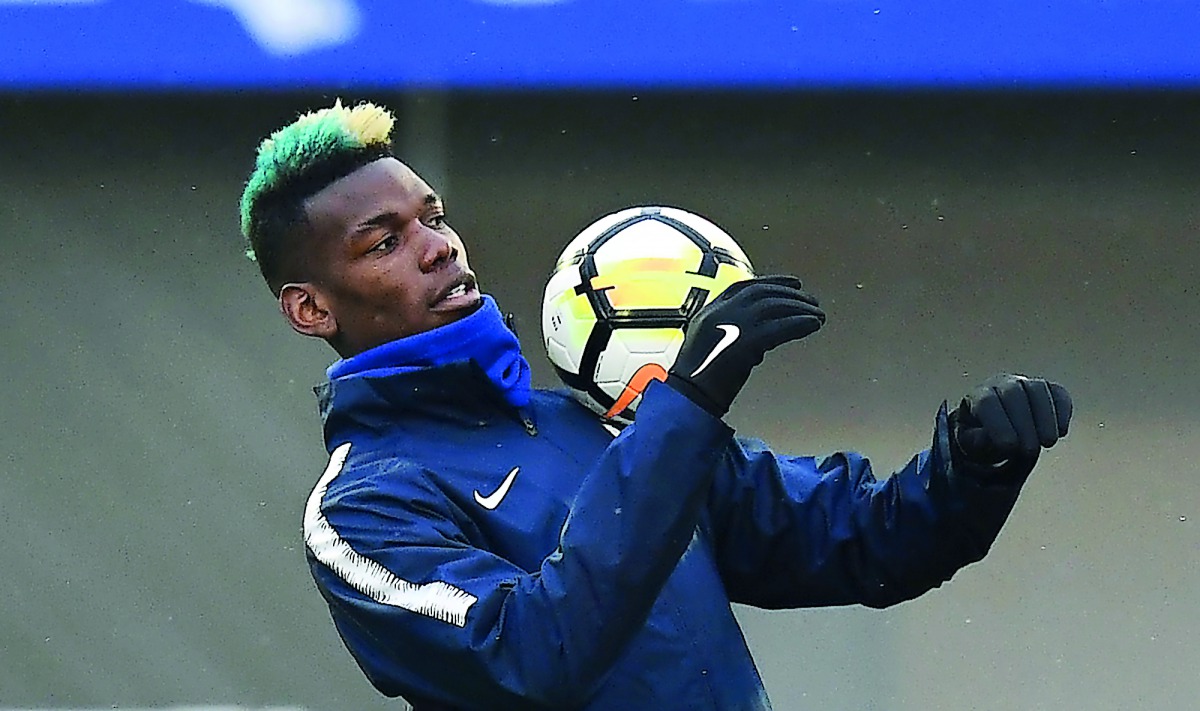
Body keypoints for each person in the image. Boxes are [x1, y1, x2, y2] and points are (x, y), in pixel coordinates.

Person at [239, 100, 1073, 711]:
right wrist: (688, 400)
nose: (438, 245)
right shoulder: (361, 509)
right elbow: (533, 653)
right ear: (312, 309)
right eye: (385, 241)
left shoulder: (591, 427)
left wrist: (974, 460)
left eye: (434, 215)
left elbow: (872, 542)